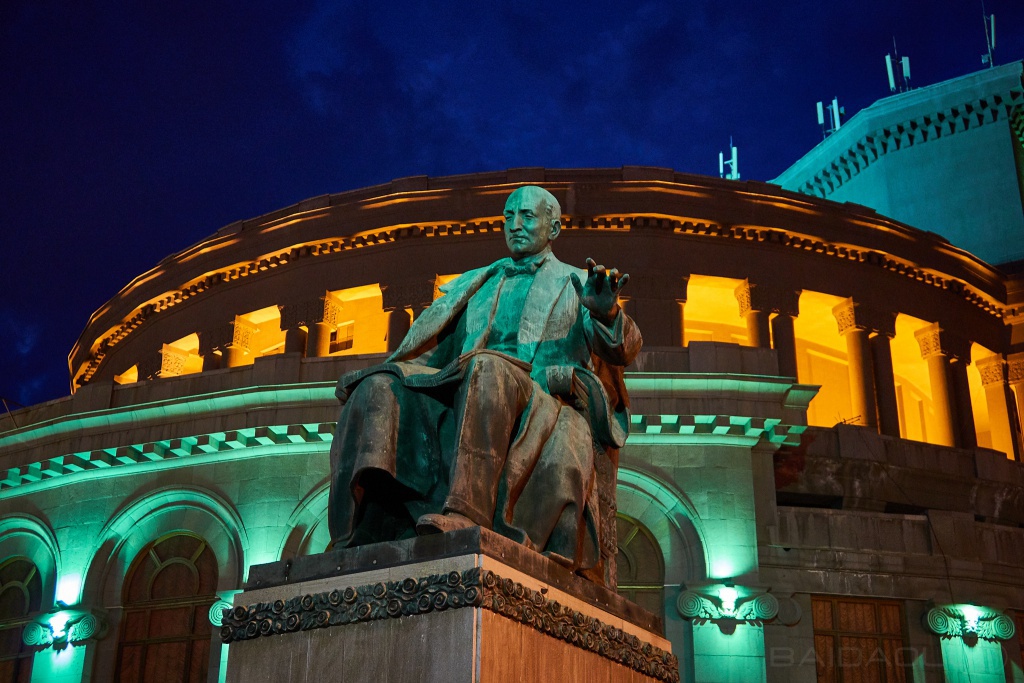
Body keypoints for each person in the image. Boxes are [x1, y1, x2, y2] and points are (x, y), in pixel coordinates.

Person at [328, 185, 641, 578]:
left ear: (554, 227)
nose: (514, 225)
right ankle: (374, 521)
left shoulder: (578, 283)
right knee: (378, 386)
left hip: (539, 397)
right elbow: (433, 354)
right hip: (466, 385)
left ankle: (465, 512)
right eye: (508, 217)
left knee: (487, 367)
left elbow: (623, 347)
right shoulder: (476, 282)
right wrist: (387, 373)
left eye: (527, 216)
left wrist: (607, 313)